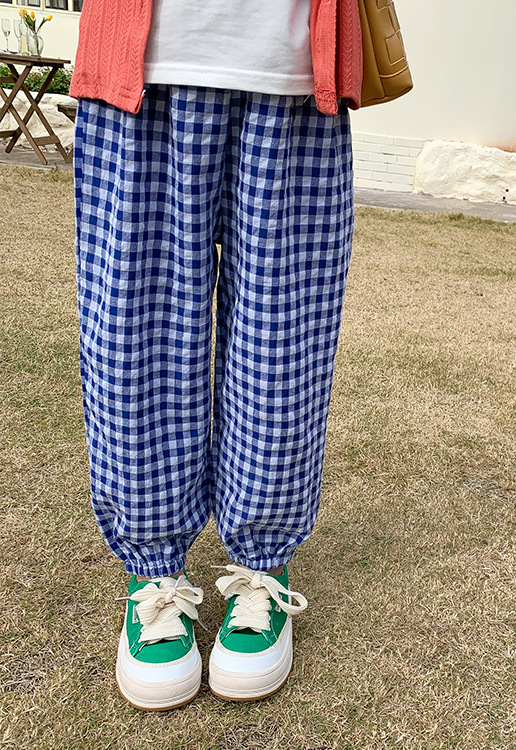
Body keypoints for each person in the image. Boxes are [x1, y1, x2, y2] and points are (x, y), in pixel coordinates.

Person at [70, 0, 362, 711]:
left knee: (282, 350)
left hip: (292, 69)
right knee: (132, 344)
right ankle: (153, 576)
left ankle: (262, 565)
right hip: (141, 66)